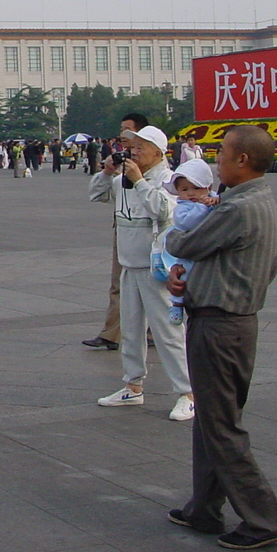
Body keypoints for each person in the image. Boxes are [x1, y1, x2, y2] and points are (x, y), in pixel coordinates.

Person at [165, 126, 277, 549]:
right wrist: (192, 281)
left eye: (222, 155)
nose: (216, 162)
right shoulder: (258, 200)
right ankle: (204, 507)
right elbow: (262, 265)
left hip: (221, 325)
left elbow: (185, 240)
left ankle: (263, 517)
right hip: (234, 319)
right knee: (213, 419)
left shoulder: (235, 209)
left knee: (220, 425)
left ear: (243, 161)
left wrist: (178, 240)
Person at [88, 125, 194, 421]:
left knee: (168, 332)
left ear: (158, 152)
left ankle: (188, 392)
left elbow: (164, 211)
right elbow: (96, 194)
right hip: (129, 264)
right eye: (132, 147)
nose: (134, 152)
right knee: (131, 331)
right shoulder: (124, 177)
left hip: (156, 267)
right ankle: (132, 386)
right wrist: (108, 173)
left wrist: (139, 182)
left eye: (141, 147)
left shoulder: (168, 180)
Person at [82, 113, 150, 351]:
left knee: (155, 286)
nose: (122, 135)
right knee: (119, 283)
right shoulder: (121, 165)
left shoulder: (156, 169)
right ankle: (113, 333)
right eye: (121, 130)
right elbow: (98, 194)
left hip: (150, 233)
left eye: (127, 130)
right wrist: (108, 172)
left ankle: (152, 331)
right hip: (124, 230)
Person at [155, 159, 219, 325]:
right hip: (187, 253)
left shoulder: (211, 200)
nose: (191, 193)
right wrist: (203, 207)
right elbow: (186, 223)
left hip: (206, 250)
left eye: (196, 188)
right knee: (183, 275)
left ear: (208, 187)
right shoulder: (183, 207)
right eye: (185, 189)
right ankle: (176, 304)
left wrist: (213, 201)